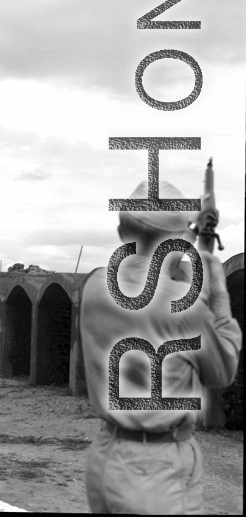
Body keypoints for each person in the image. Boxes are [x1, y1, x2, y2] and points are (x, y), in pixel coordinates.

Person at [80, 179, 242, 515]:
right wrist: (217, 287)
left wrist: (189, 237)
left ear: (122, 230)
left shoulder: (95, 286)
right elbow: (222, 370)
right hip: (157, 469)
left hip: (107, 455)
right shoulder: (186, 307)